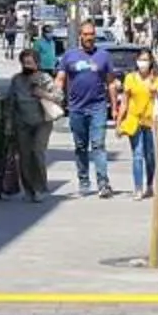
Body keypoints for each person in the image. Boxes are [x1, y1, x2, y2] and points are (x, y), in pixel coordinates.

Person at [56, 20, 119, 198]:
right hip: (76, 108)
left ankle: (103, 183)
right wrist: (55, 99)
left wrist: (114, 108)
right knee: (81, 146)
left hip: (98, 107)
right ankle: (84, 180)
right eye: (86, 34)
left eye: (92, 34)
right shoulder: (69, 56)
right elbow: (60, 80)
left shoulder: (103, 56)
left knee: (98, 145)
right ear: (80, 36)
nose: (89, 38)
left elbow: (111, 83)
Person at [0, 49, 57, 202]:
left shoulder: (44, 78)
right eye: (25, 63)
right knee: (24, 157)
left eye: (30, 63)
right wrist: (8, 124)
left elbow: (58, 97)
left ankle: (40, 188)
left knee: (37, 152)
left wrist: (42, 93)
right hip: (22, 122)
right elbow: (10, 101)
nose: (27, 66)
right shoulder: (17, 80)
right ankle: (29, 189)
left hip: (42, 122)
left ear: (37, 63)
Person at [119, 48, 158, 198]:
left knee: (149, 155)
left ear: (151, 62)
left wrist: (155, 88)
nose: (143, 63)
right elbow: (124, 101)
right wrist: (119, 121)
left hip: (149, 121)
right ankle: (138, 188)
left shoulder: (156, 78)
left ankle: (150, 184)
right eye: (141, 59)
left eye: (146, 60)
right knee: (137, 154)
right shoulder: (130, 78)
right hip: (134, 119)